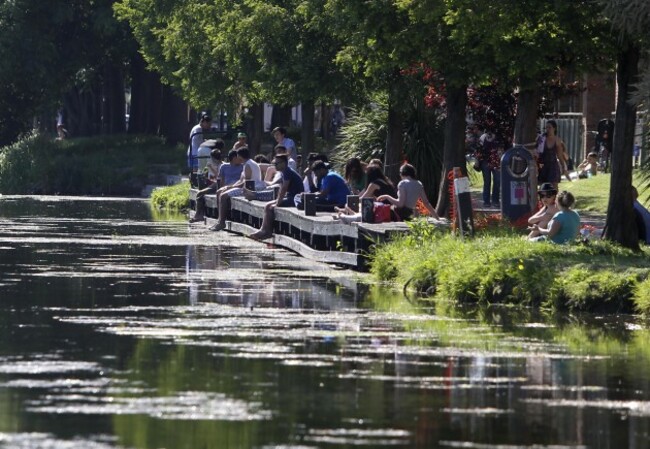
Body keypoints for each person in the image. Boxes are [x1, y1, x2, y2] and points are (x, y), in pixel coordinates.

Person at [249, 155, 305, 240]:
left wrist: (278, 202)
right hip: (290, 197)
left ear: (284, 163)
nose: (275, 165)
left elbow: (284, 188)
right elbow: (279, 186)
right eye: (274, 163)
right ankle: (264, 229)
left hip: (295, 199)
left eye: (277, 163)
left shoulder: (287, 172)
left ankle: (266, 231)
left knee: (270, 207)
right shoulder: (284, 172)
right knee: (267, 206)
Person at [211, 147, 266, 231]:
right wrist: (229, 187)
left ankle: (222, 222)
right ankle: (219, 219)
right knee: (220, 191)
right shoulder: (246, 164)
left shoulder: (248, 165)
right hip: (245, 187)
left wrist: (231, 187)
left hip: (251, 189)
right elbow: (240, 180)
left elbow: (246, 183)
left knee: (223, 196)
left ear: (240, 156)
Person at [537, 120, 566, 190]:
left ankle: (554, 200)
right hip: (542, 165)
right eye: (546, 127)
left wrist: (563, 166)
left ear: (554, 128)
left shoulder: (557, 140)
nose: (547, 129)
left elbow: (559, 155)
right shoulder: (542, 138)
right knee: (542, 187)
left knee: (554, 186)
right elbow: (538, 153)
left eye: (549, 127)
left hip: (553, 166)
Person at [475, 129, 501, 207]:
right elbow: (478, 150)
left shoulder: (498, 137)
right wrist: (477, 160)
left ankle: (495, 200)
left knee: (497, 181)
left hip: (496, 162)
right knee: (487, 182)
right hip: (485, 162)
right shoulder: (483, 138)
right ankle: (486, 201)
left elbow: (501, 149)